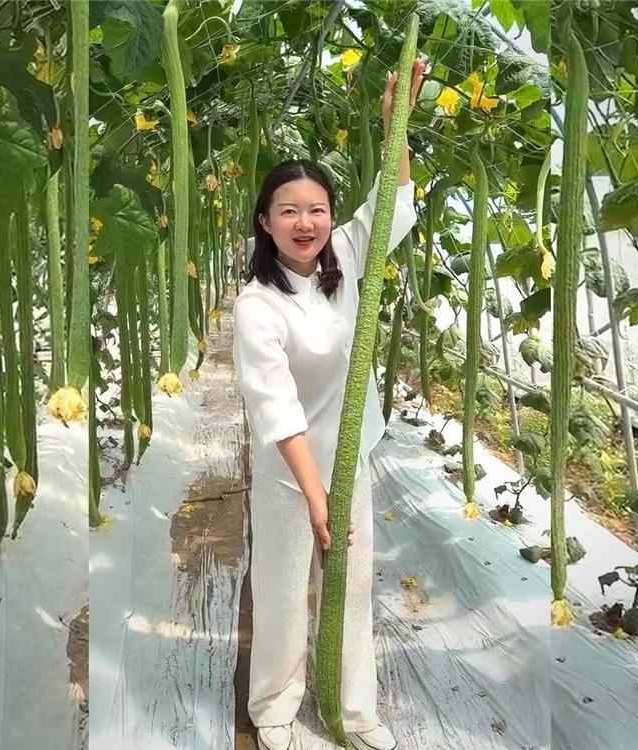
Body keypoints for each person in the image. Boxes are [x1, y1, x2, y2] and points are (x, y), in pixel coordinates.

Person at [232, 60, 425, 750]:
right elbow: (277, 408)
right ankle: (274, 707)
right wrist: (317, 497)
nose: (304, 221)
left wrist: (395, 122)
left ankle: (353, 711)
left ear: (331, 217)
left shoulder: (346, 256)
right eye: (288, 210)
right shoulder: (257, 305)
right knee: (284, 590)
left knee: (350, 585)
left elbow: (393, 201)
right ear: (265, 223)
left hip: (351, 456)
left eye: (316, 209)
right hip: (291, 471)